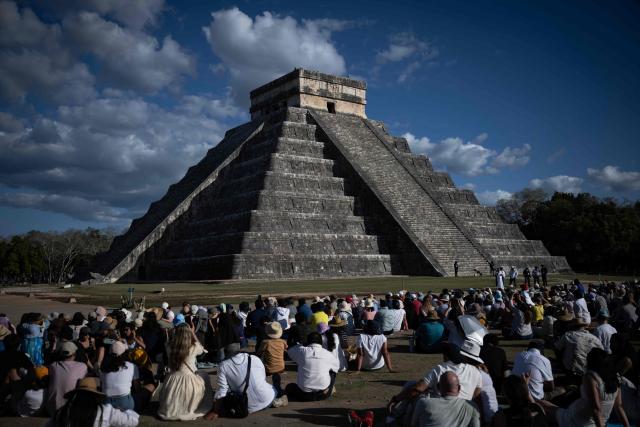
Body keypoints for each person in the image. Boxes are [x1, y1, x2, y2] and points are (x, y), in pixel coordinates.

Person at [538, 348, 630, 427]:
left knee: (542, 405)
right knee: (546, 405)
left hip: (578, 421)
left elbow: (596, 408)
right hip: (594, 420)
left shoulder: (591, 377)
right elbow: (619, 407)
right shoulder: (614, 378)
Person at [205, 344, 287, 420]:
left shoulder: (223, 366)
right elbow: (262, 378)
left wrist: (215, 411)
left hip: (245, 407)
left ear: (226, 352)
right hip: (268, 399)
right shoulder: (254, 358)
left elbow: (222, 390)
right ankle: (279, 396)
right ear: (239, 350)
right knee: (274, 384)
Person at [158, 324, 213, 420]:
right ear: (189, 334)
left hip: (172, 380)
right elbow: (202, 348)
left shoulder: (168, 345)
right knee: (205, 376)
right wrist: (193, 334)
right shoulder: (194, 347)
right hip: (190, 382)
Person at [48, 377, 139, 427]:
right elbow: (133, 421)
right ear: (96, 395)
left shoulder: (61, 413)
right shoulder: (105, 411)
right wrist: (126, 411)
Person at [411, 372, 480, 427]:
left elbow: (413, 424)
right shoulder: (471, 406)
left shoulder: (424, 403)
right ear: (459, 388)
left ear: (438, 387)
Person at [286, 332, 339, 401]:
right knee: (333, 371)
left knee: (289, 387)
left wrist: (302, 344)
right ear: (321, 342)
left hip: (304, 394)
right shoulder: (328, 354)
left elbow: (290, 350)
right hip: (323, 394)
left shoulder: (302, 351)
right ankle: (328, 389)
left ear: (307, 342)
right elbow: (336, 368)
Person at [46, 341, 88, 415]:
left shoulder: (53, 366)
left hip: (53, 409)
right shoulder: (83, 366)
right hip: (72, 410)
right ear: (74, 354)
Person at [100, 341, 137, 411]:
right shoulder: (131, 366)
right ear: (123, 354)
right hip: (124, 403)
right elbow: (137, 388)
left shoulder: (104, 367)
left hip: (106, 403)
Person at [256, 322, 287, 396]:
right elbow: (285, 350)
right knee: (277, 376)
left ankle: (268, 391)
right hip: (281, 366)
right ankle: (278, 389)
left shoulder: (265, 342)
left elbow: (259, 353)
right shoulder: (283, 342)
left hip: (269, 368)